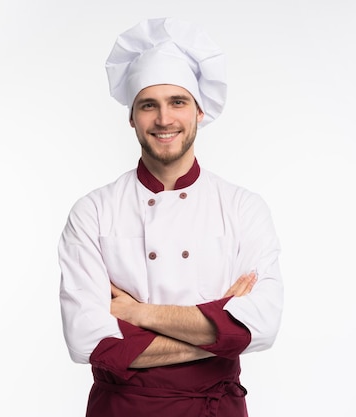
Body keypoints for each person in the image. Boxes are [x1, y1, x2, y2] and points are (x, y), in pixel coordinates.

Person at [58, 17, 283, 417]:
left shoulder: (243, 208)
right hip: (122, 409)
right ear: (132, 117)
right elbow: (88, 341)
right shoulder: (93, 212)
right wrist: (221, 332)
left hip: (214, 409)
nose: (164, 119)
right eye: (149, 105)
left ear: (199, 111)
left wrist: (137, 314)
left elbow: (261, 327)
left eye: (177, 102)